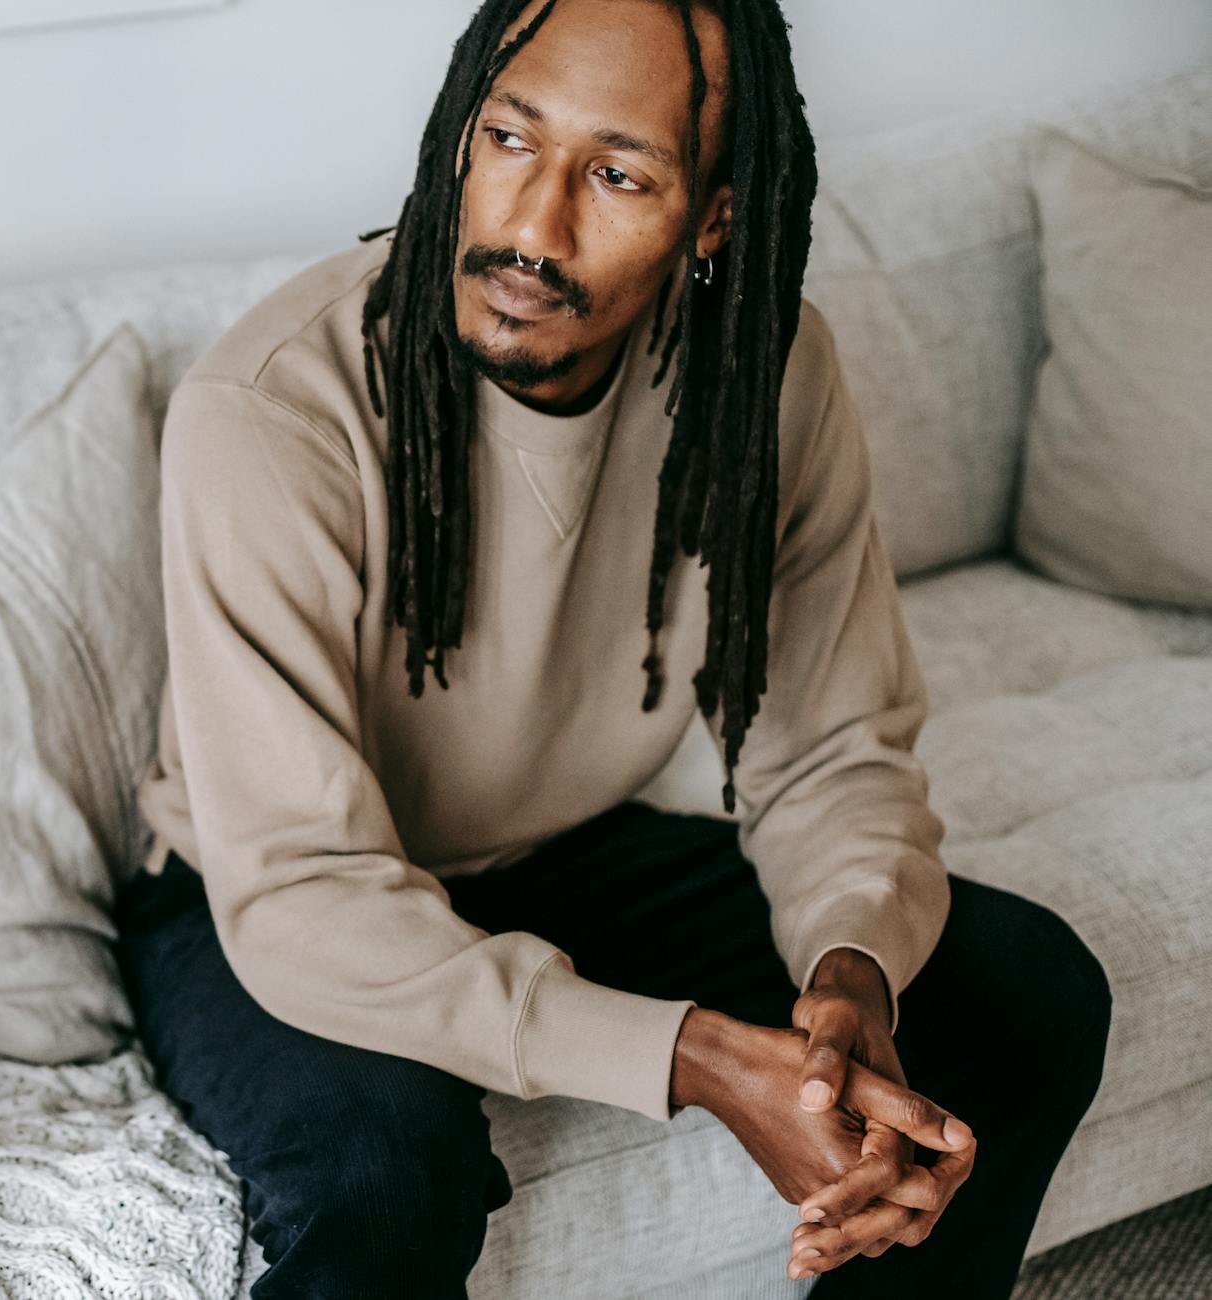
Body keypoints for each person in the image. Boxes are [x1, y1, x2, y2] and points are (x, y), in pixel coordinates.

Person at [119, 0, 1114, 1295]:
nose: (531, 225)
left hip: (548, 853)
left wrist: (848, 977)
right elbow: (299, 886)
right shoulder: (273, 406)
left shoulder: (758, 373)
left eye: (615, 173)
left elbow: (826, 749)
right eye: (508, 140)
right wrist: (693, 1053)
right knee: (382, 1174)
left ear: (708, 217)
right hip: (269, 886)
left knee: (1022, 993)